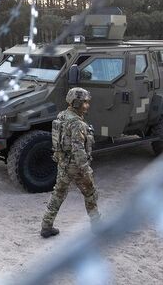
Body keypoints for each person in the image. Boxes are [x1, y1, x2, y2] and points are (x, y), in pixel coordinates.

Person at [40, 87, 101, 238]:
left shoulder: (62, 115)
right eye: (84, 102)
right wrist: (86, 169)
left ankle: (46, 226)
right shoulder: (77, 123)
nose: (87, 105)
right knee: (90, 193)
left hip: (63, 163)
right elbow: (78, 149)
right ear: (76, 103)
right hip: (76, 166)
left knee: (58, 193)